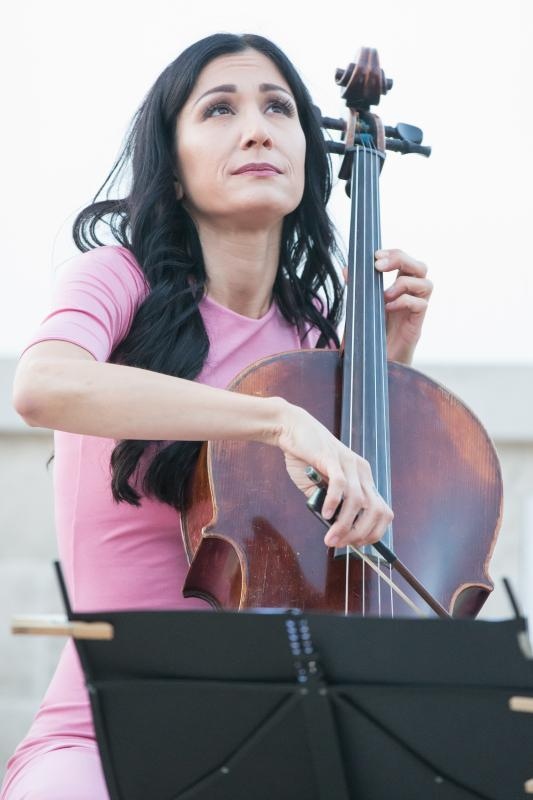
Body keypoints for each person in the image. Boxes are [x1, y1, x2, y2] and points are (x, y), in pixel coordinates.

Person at [1, 32, 432, 800]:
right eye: (219, 109)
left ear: (309, 151)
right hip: (104, 732)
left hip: (274, 730)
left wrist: (381, 370)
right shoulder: (117, 279)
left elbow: (340, 551)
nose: (257, 128)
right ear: (172, 167)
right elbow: (42, 385)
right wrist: (271, 419)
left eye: (277, 108)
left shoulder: (314, 335)